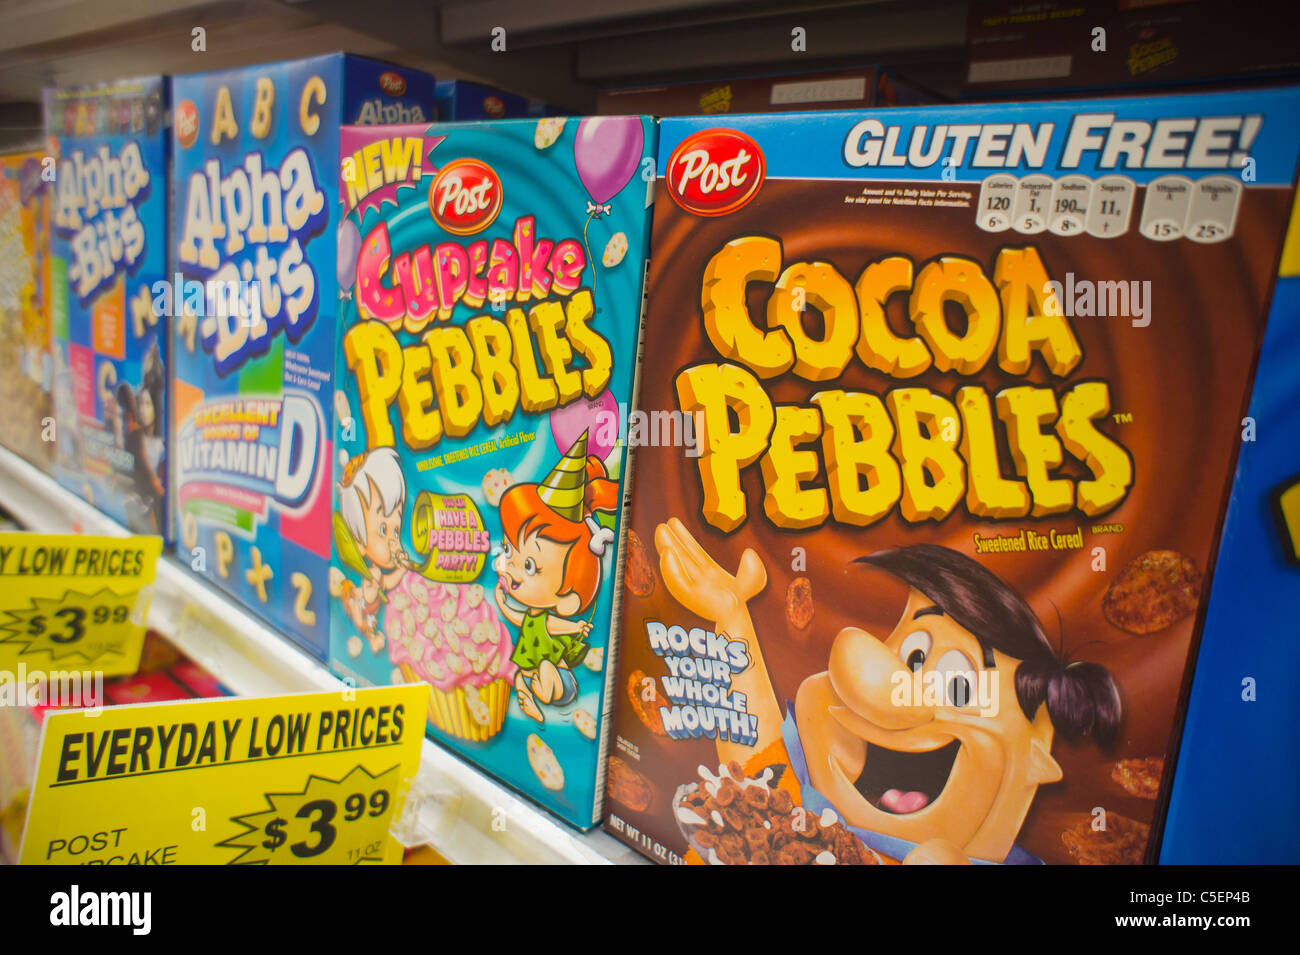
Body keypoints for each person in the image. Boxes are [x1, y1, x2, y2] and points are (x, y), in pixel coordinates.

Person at [493, 431, 617, 723]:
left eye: (531, 566)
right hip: (539, 670)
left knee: (545, 667)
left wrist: (575, 630)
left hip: (561, 681)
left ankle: (534, 690)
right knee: (527, 671)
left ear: (569, 599)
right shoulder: (534, 617)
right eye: (509, 550)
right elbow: (518, 619)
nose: (510, 566)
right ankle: (527, 689)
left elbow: (551, 624)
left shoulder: (549, 617)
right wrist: (502, 603)